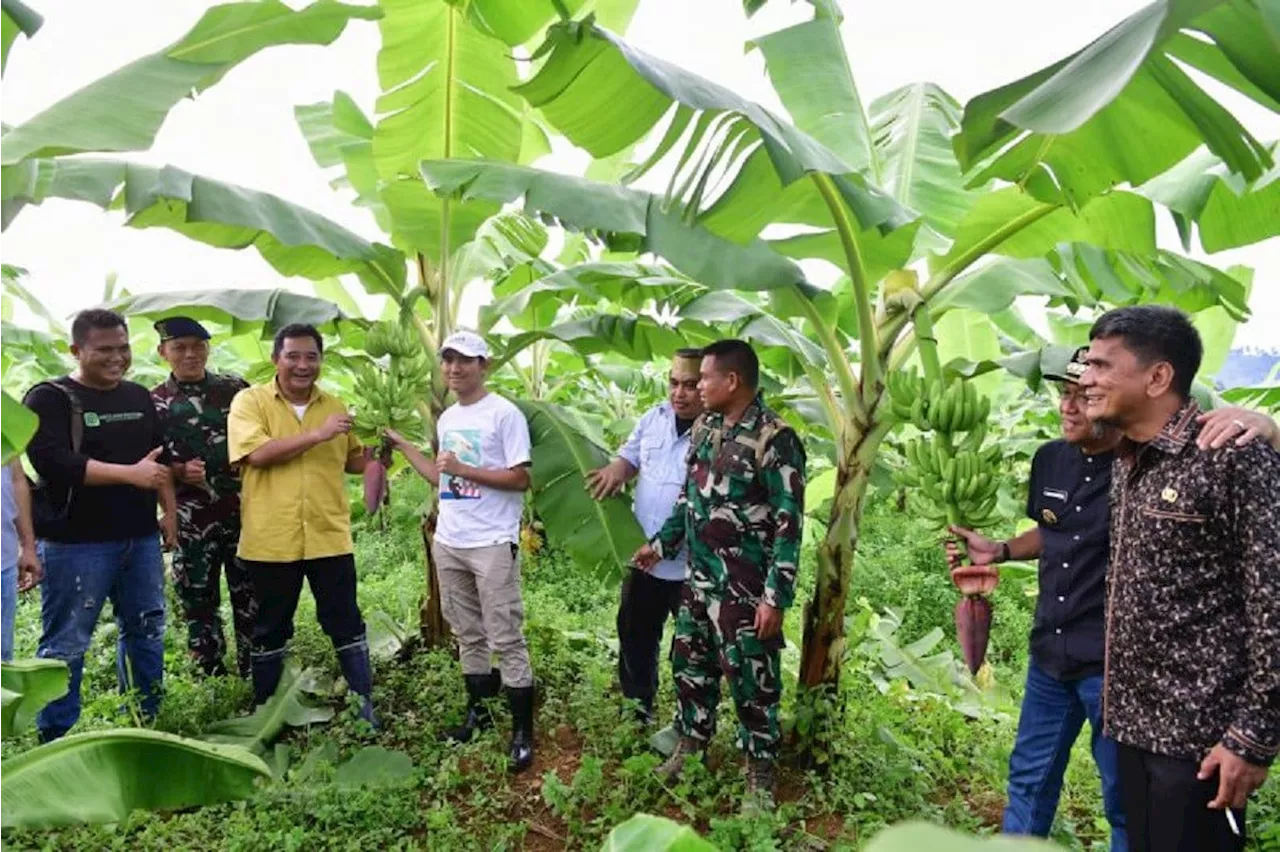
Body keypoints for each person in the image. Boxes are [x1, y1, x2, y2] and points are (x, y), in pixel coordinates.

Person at [947, 347, 1276, 851]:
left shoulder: (1143, 462)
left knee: (1125, 800)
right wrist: (1001, 550)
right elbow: (1053, 532)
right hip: (1050, 657)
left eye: (1084, 395)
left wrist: (1269, 428)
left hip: (1114, 669)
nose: (1070, 407)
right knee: (1029, 780)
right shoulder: (1050, 460)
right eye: (1065, 394)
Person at [1080, 305, 1280, 852]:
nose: (1086, 379)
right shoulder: (1129, 459)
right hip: (1132, 724)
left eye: (1100, 366)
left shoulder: (1229, 455)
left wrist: (1251, 736)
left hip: (1200, 739)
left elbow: (1273, 604)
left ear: (1158, 376)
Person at [632, 339, 805, 813]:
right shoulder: (707, 427)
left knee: (752, 679)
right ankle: (692, 746)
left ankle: (760, 772)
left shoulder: (776, 438)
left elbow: (790, 523)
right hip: (700, 576)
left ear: (732, 381)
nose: (696, 386)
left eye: (704, 377)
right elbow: (690, 498)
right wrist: (663, 545)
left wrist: (775, 597)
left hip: (745, 588)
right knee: (689, 663)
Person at [384, 330, 536, 772]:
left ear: (483, 365)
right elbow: (440, 477)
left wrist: (466, 468)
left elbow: (521, 478)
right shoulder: (448, 417)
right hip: (450, 540)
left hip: (491, 541)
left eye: (464, 361)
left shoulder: (504, 415)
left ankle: (522, 730)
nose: (454, 368)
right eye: (447, 360)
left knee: (505, 634)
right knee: (467, 633)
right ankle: (479, 714)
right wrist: (405, 446)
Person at [23, 309, 176, 742]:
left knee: (146, 628)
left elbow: (157, 456)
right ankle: (55, 737)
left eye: (123, 348)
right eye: (105, 349)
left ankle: (148, 719)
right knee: (67, 642)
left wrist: (167, 510)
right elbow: (54, 463)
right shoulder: (48, 398)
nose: (117, 357)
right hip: (76, 544)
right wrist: (130, 475)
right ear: (77, 350)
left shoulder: (137, 397)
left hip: (139, 538)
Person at [227, 323, 378, 727]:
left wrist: (382, 454)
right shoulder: (250, 402)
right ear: (276, 358)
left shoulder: (335, 405)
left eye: (311, 356)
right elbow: (257, 454)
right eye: (293, 355)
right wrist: (318, 434)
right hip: (270, 538)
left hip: (329, 535)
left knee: (345, 620)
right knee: (271, 626)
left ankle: (365, 706)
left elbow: (352, 461)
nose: (302, 365)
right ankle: (266, 713)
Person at [587, 348, 704, 724]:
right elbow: (630, 457)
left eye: (690, 384)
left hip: (691, 565)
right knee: (636, 636)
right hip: (642, 557)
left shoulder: (720, 433)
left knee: (692, 649)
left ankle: (690, 723)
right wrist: (615, 471)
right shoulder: (654, 419)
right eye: (673, 382)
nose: (679, 393)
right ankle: (639, 710)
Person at [151, 316, 255, 678]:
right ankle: (209, 674)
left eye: (198, 346)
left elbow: (260, 437)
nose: (190, 354)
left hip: (243, 513)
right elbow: (149, 461)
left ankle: (257, 669)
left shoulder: (236, 390)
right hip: (191, 519)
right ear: (163, 352)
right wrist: (179, 472)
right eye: (180, 347)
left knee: (251, 594)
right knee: (197, 598)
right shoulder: (155, 403)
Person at [1, 459, 42, 661]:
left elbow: (16, 479)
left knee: (2, 658)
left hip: (3, 561)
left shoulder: (5, 427)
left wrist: (27, 546)